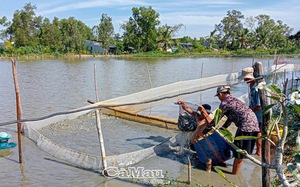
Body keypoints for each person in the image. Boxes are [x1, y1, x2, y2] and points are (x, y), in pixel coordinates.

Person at [214, 85, 260, 175]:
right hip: (254, 125)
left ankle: (234, 176)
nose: (219, 98)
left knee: (239, 153)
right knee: (243, 153)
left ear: (220, 94)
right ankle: (236, 173)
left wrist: (206, 130)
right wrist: (222, 129)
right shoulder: (234, 100)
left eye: (218, 96)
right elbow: (230, 118)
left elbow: (216, 119)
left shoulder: (224, 103)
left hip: (245, 127)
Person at [243, 67, 262, 156]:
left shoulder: (257, 89)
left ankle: (259, 151)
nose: (245, 80)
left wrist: (249, 111)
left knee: (258, 132)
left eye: (247, 78)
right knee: (256, 131)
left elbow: (258, 106)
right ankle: (258, 150)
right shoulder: (252, 87)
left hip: (259, 115)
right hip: (255, 113)